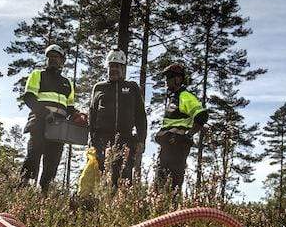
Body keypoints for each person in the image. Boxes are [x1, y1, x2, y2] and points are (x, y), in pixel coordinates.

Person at [20, 44, 76, 192]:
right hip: (39, 123)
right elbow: (29, 98)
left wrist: (78, 116)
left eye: (56, 57)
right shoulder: (38, 75)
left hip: (58, 128)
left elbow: (70, 107)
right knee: (33, 157)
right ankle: (23, 189)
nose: (52, 59)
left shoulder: (67, 83)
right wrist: (45, 113)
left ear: (62, 60)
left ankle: (45, 192)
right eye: (50, 57)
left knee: (52, 162)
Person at [88, 49, 147, 188]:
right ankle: (100, 201)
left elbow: (140, 116)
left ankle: (122, 200)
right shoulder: (99, 87)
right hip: (101, 140)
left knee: (124, 177)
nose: (114, 69)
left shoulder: (132, 87)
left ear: (123, 68)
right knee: (102, 176)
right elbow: (92, 115)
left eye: (117, 66)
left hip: (125, 139)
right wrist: (91, 140)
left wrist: (141, 140)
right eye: (111, 66)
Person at [154, 62, 207, 196]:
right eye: (166, 78)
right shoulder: (173, 98)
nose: (166, 81)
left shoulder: (185, 96)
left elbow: (202, 115)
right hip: (167, 146)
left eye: (169, 77)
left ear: (178, 79)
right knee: (160, 184)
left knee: (173, 185)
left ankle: (172, 207)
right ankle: (162, 207)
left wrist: (188, 135)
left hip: (177, 147)